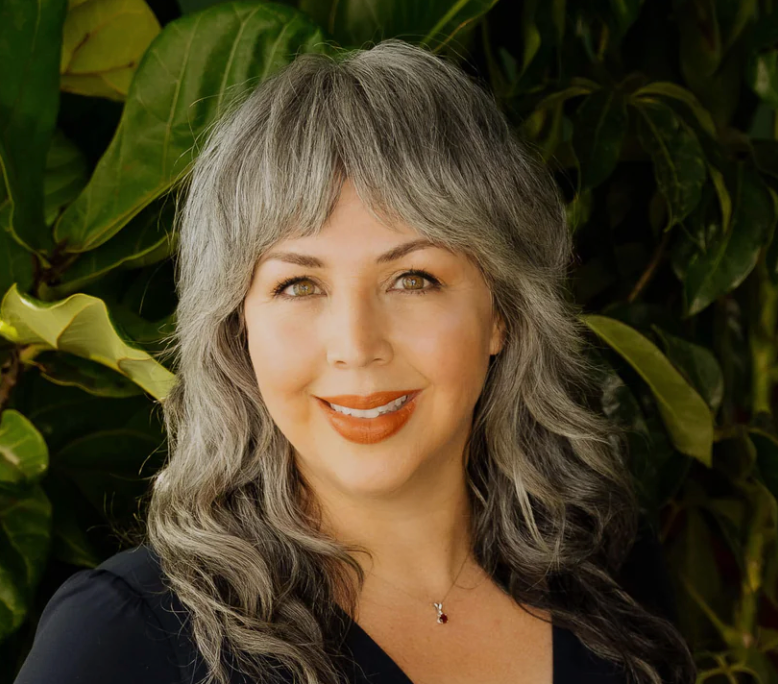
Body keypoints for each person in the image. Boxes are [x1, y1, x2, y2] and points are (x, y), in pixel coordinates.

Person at [13, 39, 696, 684]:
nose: (356, 345)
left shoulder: (611, 574)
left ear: (502, 312)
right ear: (236, 327)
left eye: (413, 279)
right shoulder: (127, 640)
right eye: (298, 285)